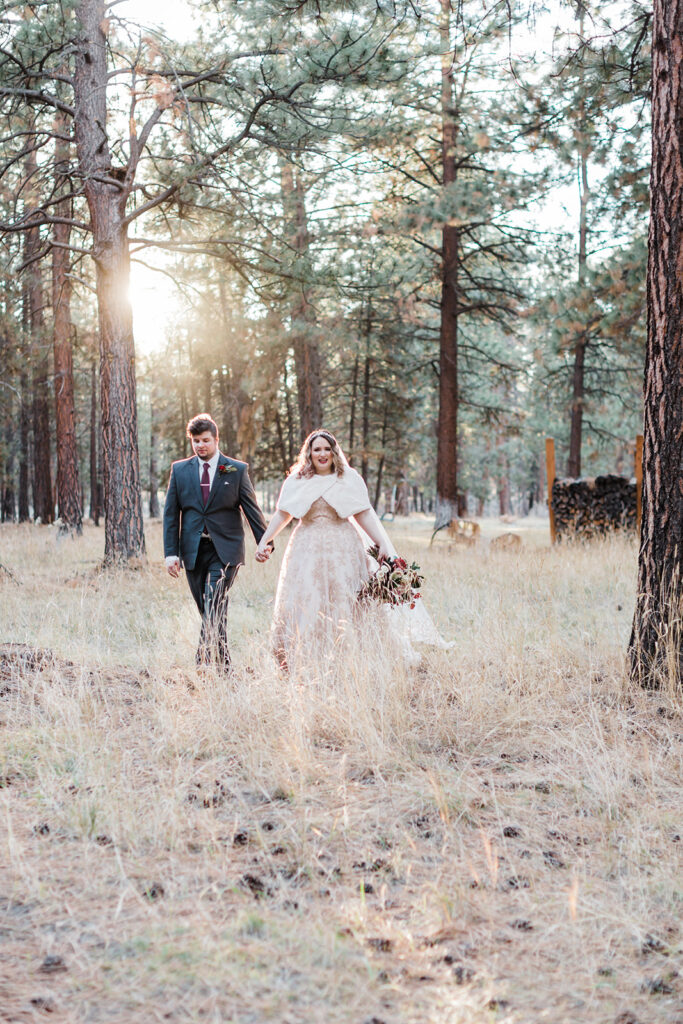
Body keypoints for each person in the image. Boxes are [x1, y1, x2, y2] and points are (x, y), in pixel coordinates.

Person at [255, 429, 397, 668]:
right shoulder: (298, 480)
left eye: (327, 449)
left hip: (342, 548)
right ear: (308, 453)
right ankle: (305, 657)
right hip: (306, 547)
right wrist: (264, 540)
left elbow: (363, 513)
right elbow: (283, 514)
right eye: (316, 449)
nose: (322, 454)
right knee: (308, 598)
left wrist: (381, 542)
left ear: (334, 452)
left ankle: (348, 657)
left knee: (344, 597)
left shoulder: (348, 478)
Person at [164, 414, 271, 672]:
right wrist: (170, 554)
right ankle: (225, 666)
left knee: (213, 603)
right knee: (210, 610)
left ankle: (202, 662)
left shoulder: (234, 469)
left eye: (206, 440)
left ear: (216, 439)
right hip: (192, 550)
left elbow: (251, 508)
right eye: (196, 441)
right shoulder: (180, 470)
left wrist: (265, 542)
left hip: (226, 550)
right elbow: (171, 514)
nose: (201, 445)